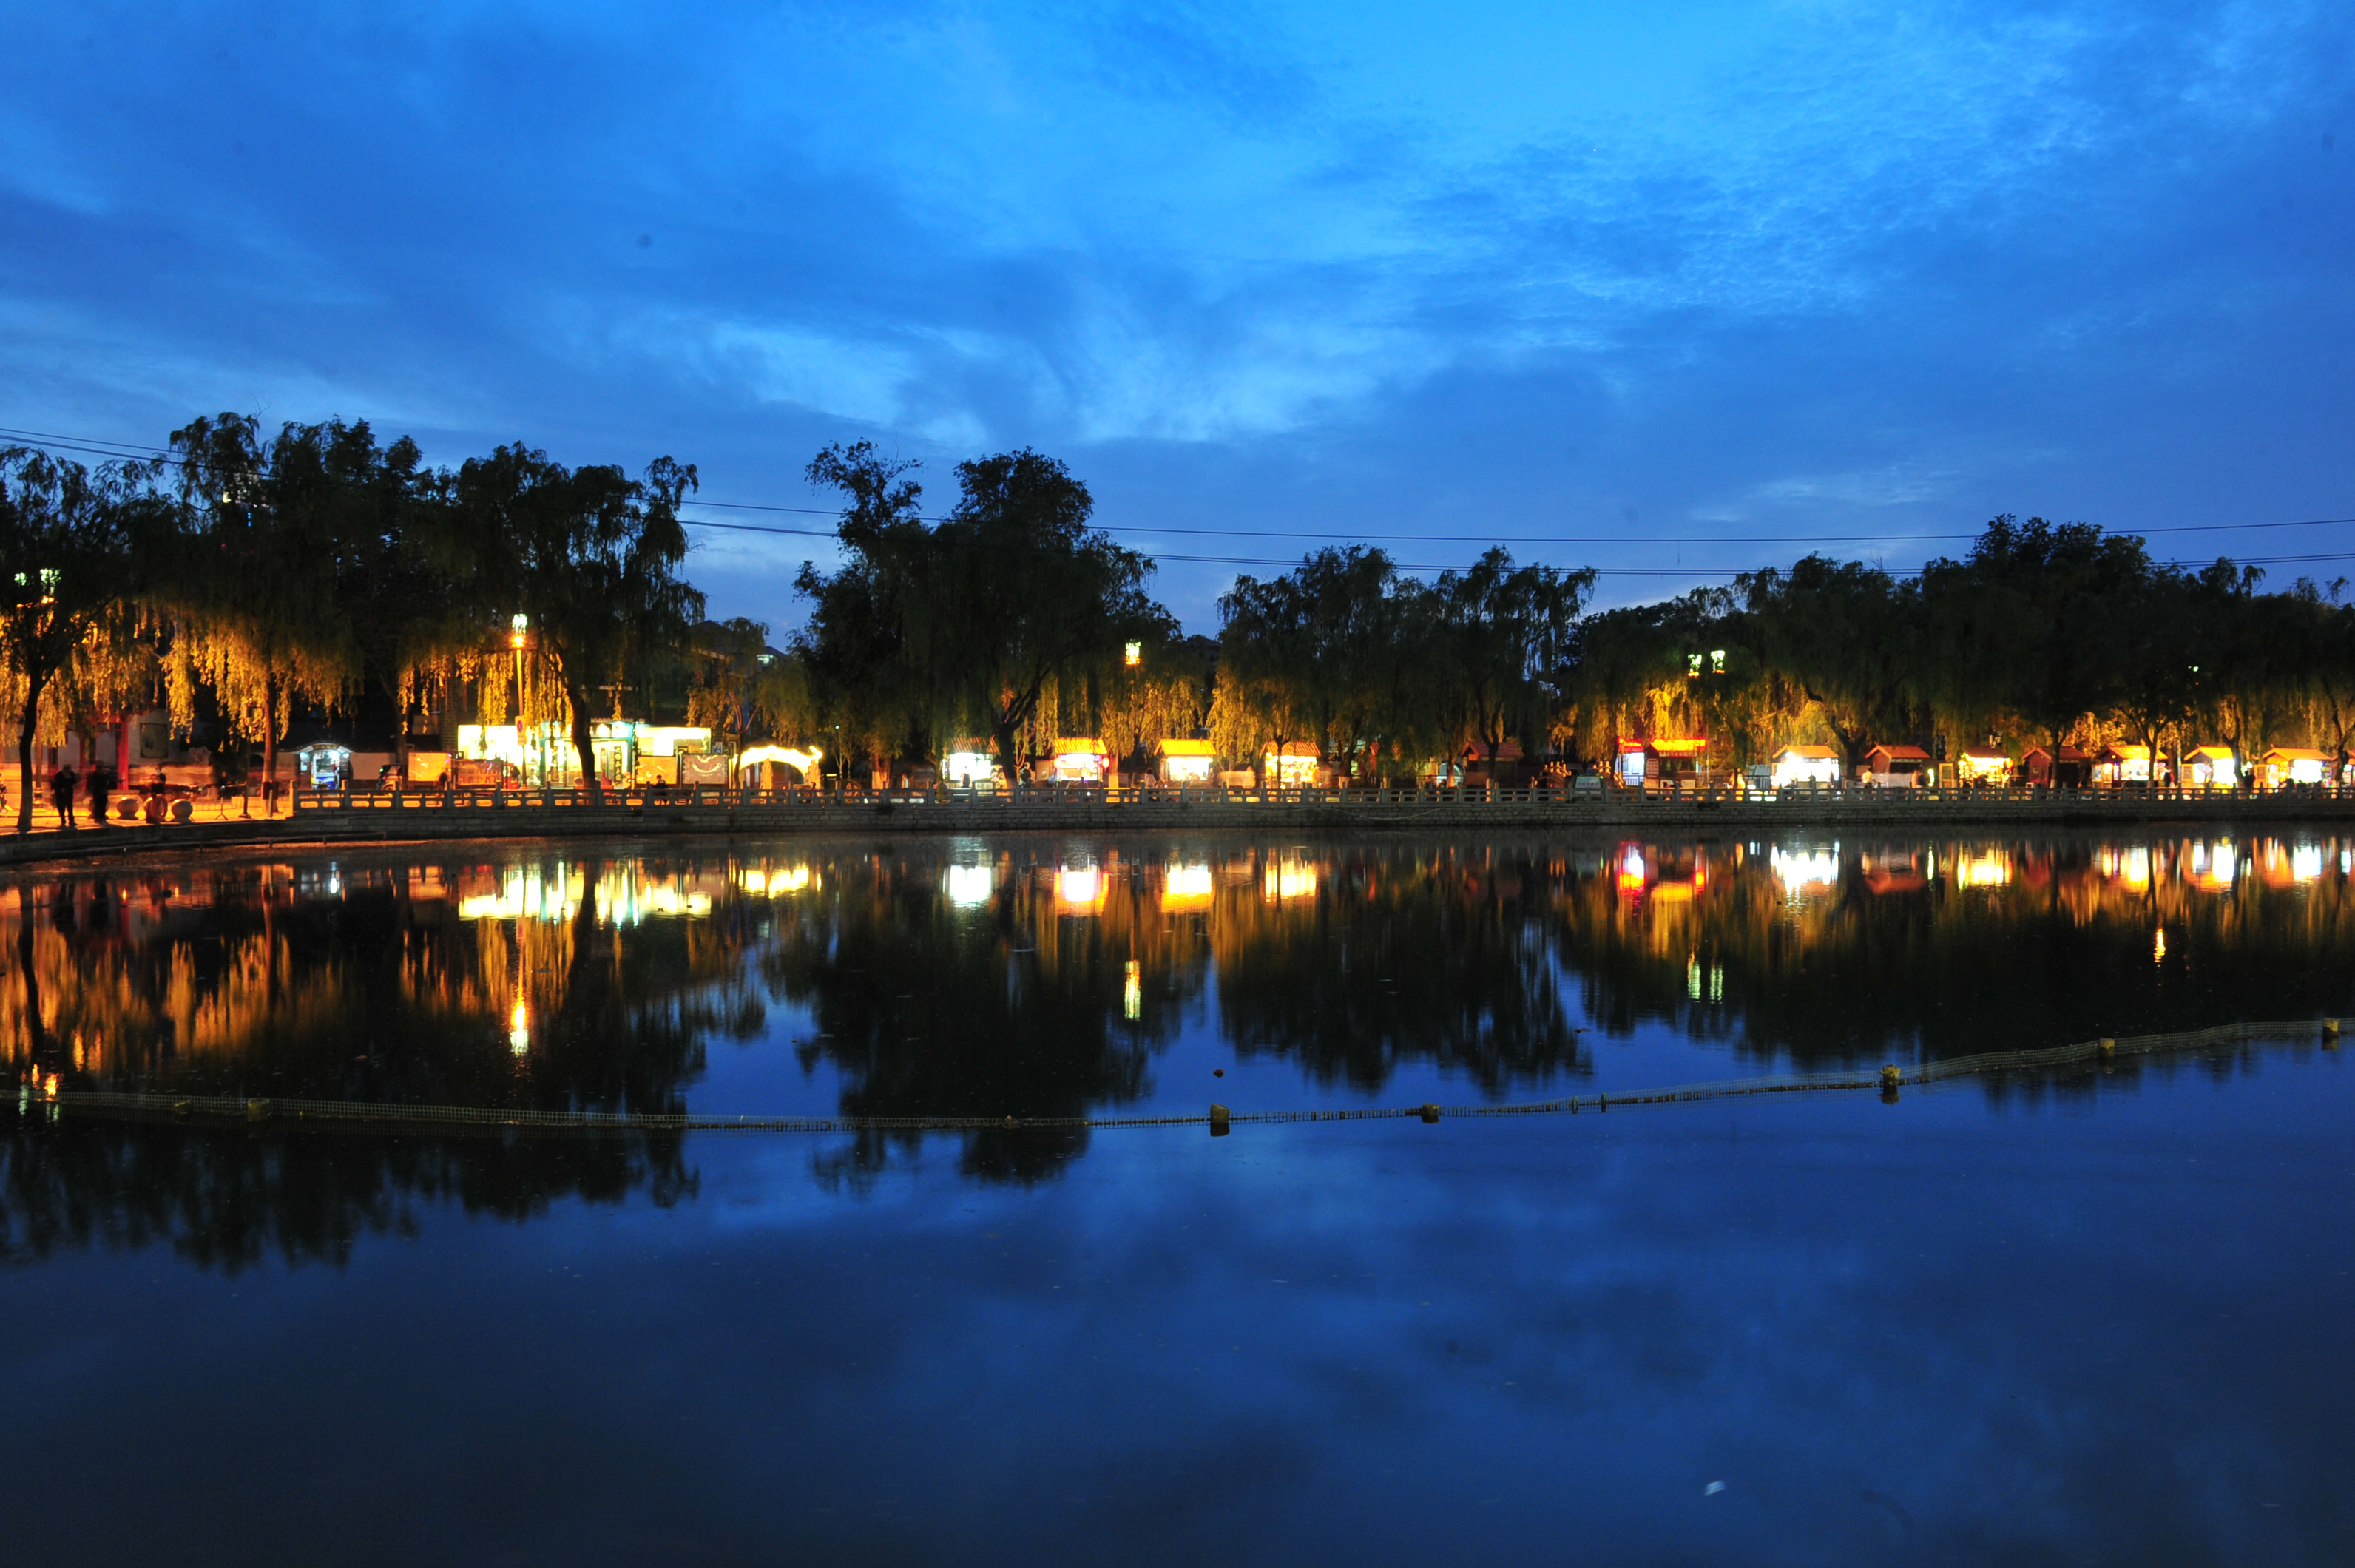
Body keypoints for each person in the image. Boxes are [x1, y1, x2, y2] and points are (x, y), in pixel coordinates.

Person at [85, 760, 115, 827]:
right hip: (97, 791)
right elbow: (93, 783)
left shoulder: (104, 775)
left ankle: (101, 817)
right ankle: (98, 818)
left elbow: (108, 782)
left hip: (104, 791)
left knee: (103, 805)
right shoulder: (95, 775)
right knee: (98, 805)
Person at [49, 764, 78, 831]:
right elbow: (56, 784)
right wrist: (61, 789)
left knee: (70, 807)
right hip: (60, 794)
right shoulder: (59, 775)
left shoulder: (72, 774)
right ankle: (63, 820)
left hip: (69, 793)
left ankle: (71, 821)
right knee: (61, 807)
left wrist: (70, 779)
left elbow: (74, 782)